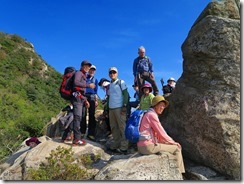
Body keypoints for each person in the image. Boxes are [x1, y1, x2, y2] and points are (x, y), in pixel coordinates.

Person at [137, 95, 185, 173]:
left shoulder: (148, 114)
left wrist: (167, 142)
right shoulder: (152, 115)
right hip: (148, 147)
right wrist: (173, 142)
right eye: (161, 105)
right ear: (155, 105)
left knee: (169, 145)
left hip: (142, 146)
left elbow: (157, 134)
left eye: (163, 106)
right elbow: (161, 133)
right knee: (177, 148)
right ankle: (180, 173)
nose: (162, 108)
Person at [71, 60, 95, 146]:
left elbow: (81, 90)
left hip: (80, 98)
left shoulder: (83, 74)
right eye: (87, 66)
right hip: (77, 99)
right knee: (77, 118)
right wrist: (89, 85)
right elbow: (76, 83)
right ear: (82, 66)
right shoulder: (79, 73)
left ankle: (75, 138)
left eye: (89, 66)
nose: (88, 68)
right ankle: (76, 139)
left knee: (79, 117)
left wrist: (85, 100)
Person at [107, 67, 129, 154]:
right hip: (111, 108)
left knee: (122, 127)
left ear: (117, 73)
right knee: (114, 127)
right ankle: (116, 144)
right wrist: (106, 108)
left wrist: (124, 105)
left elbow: (126, 94)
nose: (112, 74)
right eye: (111, 72)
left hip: (119, 107)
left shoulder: (121, 82)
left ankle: (124, 147)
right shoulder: (110, 85)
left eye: (114, 72)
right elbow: (109, 97)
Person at [81, 65, 98, 141]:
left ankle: (91, 134)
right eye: (91, 69)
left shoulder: (95, 80)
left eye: (93, 70)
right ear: (89, 70)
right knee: (83, 114)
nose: (92, 71)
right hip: (84, 97)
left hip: (92, 97)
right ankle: (82, 132)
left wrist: (96, 100)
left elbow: (96, 91)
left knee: (92, 115)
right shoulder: (84, 77)